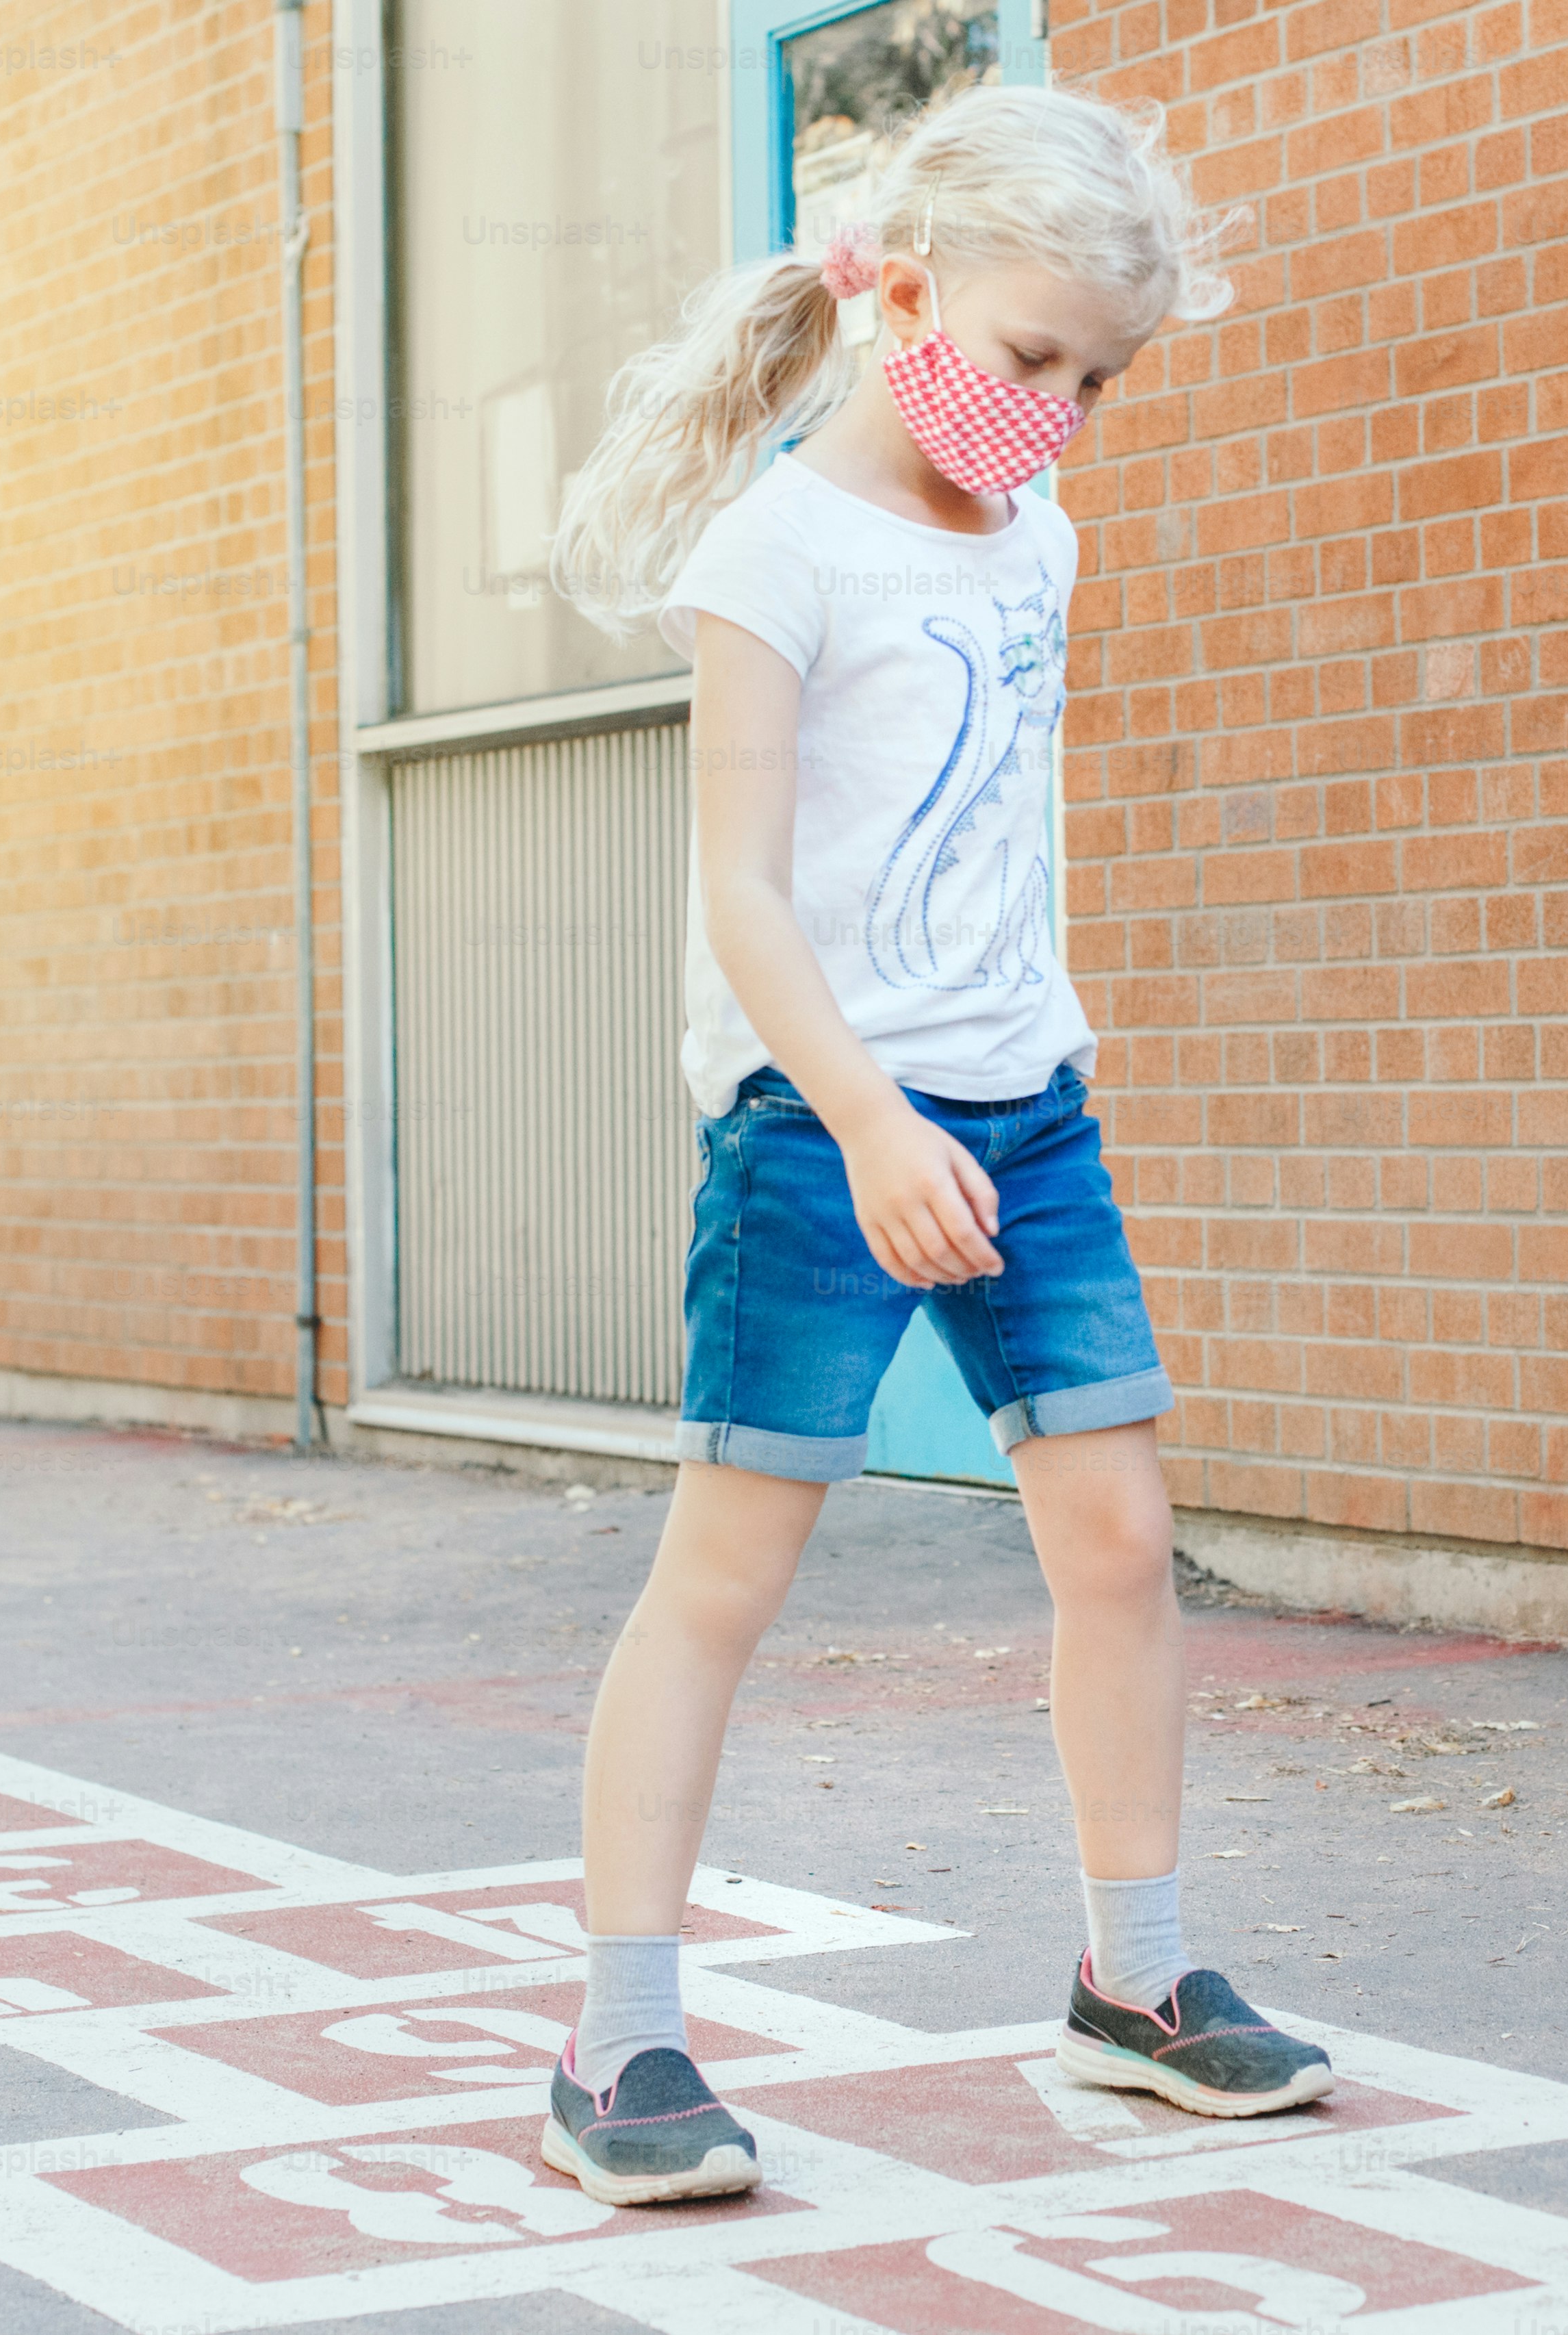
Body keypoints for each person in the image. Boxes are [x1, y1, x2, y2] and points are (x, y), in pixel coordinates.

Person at [532, 84, 1328, 2207]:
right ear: (897, 291)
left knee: (1120, 1546)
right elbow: (748, 894)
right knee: (728, 1571)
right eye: (1030, 359)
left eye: (1098, 380)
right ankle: (619, 2042)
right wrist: (872, 1112)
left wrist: (990, 1074)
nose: (1057, 413)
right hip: (821, 1115)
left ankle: (1136, 1980)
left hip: (1027, 1108)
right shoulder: (777, 548)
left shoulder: (1038, 530)